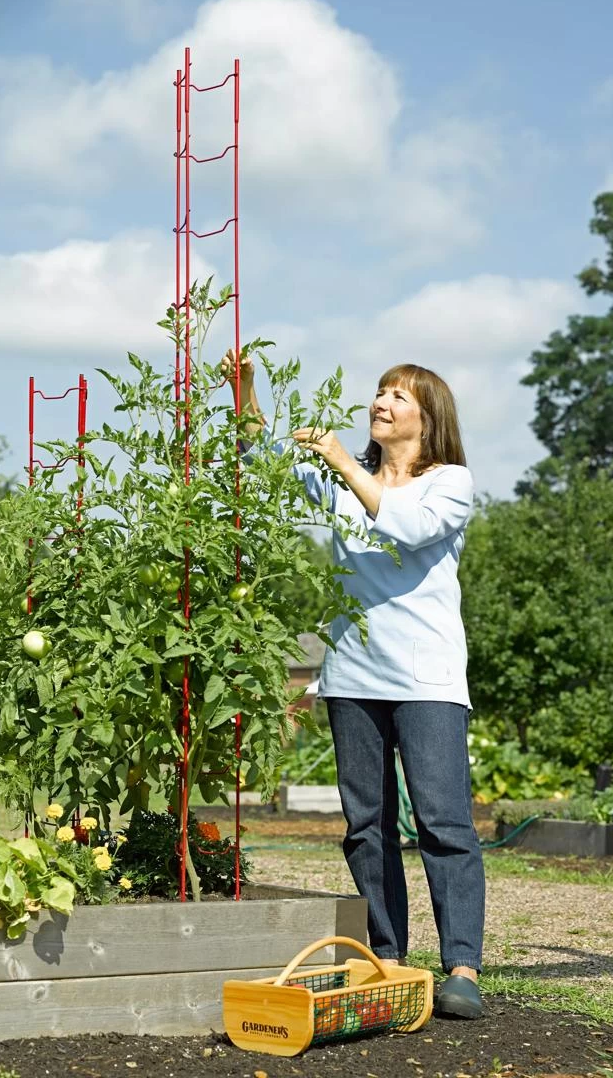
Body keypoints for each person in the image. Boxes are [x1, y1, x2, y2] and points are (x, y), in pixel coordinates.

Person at [222, 349, 485, 1019]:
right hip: (353, 676)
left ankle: (462, 968)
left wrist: (341, 462)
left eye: (398, 396)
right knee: (366, 826)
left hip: (426, 681)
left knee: (443, 822)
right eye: (380, 392)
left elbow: (400, 525)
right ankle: (387, 956)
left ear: (428, 418)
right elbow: (264, 463)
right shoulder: (348, 479)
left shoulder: (449, 482)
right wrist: (245, 393)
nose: (381, 402)